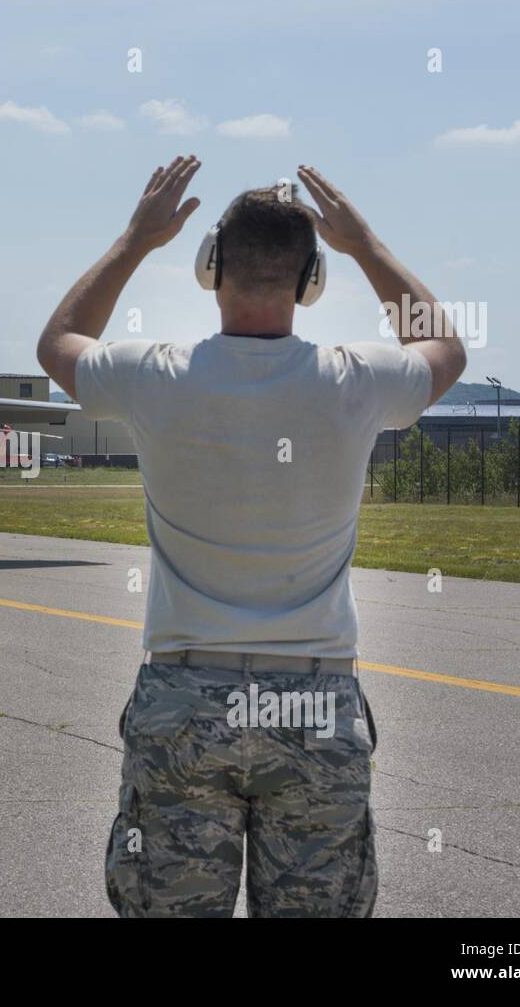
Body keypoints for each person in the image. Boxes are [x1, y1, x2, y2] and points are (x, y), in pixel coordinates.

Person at [36, 157, 466, 917]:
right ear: (311, 281)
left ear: (211, 268)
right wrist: (366, 245)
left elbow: (60, 341)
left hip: (183, 698)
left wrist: (135, 240)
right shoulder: (354, 381)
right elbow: (445, 352)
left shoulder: (154, 375)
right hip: (314, 699)